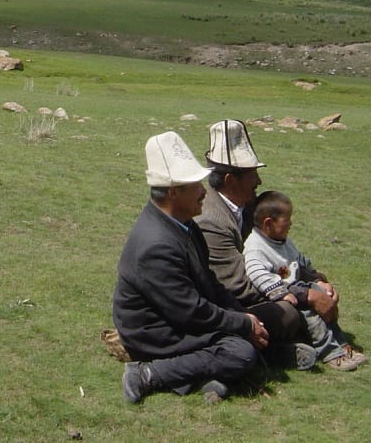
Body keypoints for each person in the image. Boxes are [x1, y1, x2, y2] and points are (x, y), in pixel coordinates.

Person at [112, 131, 270, 403]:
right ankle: (148, 373)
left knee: (258, 326)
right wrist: (241, 324)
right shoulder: (156, 245)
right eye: (196, 186)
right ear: (174, 192)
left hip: (177, 316)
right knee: (239, 353)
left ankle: (197, 380)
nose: (204, 192)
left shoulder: (185, 224)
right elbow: (190, 311)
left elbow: (208, 281)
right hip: (154, 331)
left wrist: (243, 316)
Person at [194, 119, 316, 370]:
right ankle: (268, 354)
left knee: (293, 309)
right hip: (223, 305)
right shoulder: (212, 221)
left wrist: (313, 281)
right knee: (286, 313)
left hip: (255, 292)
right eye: (252, 174)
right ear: (231, 180)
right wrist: (301, 294)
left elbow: (277, 252)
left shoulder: (248, 208)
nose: (258, 181)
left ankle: (272, 351)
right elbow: (238, 285)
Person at [243, 190, 367, 371]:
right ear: (268, 223)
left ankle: (341, 342)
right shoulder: (256, 247)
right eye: (287, 220)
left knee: (325, 296)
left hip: (297, 286)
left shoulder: (283, 240)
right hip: (283, 293)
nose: (291, 223)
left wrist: (316, 278)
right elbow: (256, 272)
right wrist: (279, 292)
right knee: (311, 315)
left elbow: (300, 262)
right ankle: (329, 352)